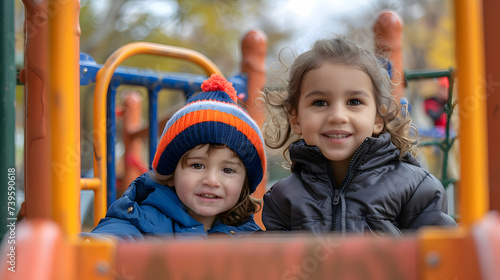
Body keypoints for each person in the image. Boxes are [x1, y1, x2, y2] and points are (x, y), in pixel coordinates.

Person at [261, 38, 456, 236]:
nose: (337, 116)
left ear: (378, 118)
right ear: (296, 118)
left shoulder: (415, 189)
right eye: (320, 103)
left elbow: (441, 258)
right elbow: (275, 264)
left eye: (354, 101)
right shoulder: (283, 198)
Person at [90, 74, 267, 240]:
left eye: (227, 170)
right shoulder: (141, 220)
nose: (212, 180)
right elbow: (111, 240)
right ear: (172, 174)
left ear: (245, 183)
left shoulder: (248, 237)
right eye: (197, 165)